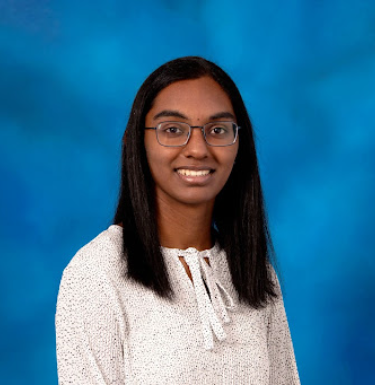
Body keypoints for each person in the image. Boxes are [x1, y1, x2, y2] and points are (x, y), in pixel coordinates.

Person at [55, 56, 300, 384]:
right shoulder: (96, 274)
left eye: (217, 129)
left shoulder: (255, 271)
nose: (198, 149)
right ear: (136, 142)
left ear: (240, 143)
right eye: (172, 129)